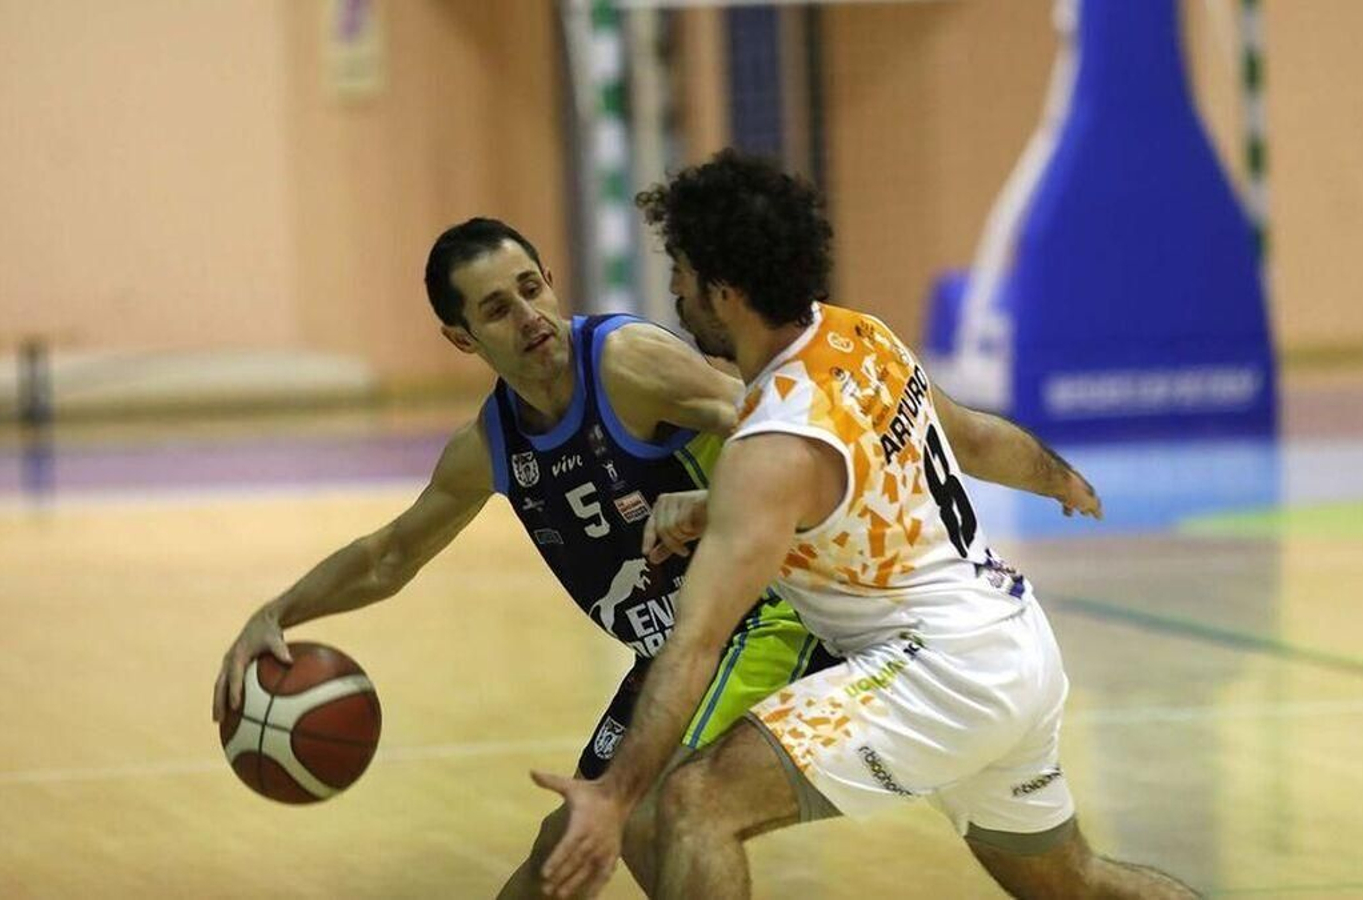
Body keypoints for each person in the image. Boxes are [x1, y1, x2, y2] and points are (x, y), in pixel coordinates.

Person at [534, 151, 1200, 899]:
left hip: (939, 672)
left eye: (682, 272)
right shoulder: (860, 338)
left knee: (695, 804)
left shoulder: (771, 443)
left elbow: (695, 643)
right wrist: (1060, 477)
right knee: (1076, 883)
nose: (675, 292)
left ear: (724, 292)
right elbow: (974, 440)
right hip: (1014, 639)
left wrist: (615, 794)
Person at [210, 217, 836, 898]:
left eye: (531, 288)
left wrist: (712, 504)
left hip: (763, 613)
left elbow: (792, 434)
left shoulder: (627, 364)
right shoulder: (491, 445)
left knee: (647, 810)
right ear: (462, 338)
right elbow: (390, 556)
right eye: (497, 309)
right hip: (671, 652)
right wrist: (276, 613)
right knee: (567, 844)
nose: (529, 315)